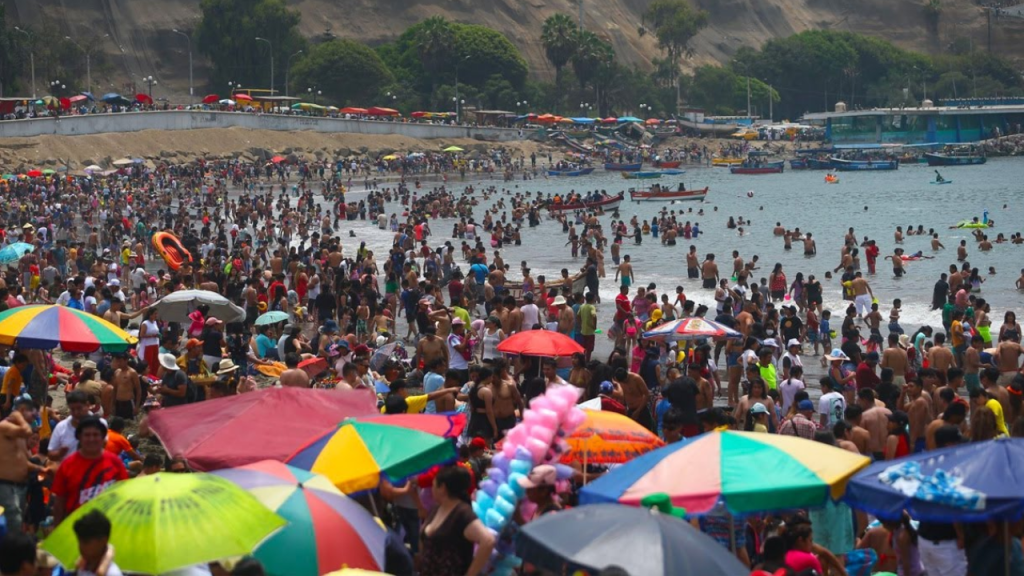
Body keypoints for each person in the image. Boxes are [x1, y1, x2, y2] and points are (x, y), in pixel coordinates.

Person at [418, 466, 495, 576]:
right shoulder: (438, 508)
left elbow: (488, 541)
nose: (432, 489)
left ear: (442, 488)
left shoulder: (462, 513)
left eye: (433, 485)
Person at [51, 416, 128, 524]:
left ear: (103, 438)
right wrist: (57, 527)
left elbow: (123, 494)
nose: (91, 439)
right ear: (79, 438)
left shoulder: (115, 462)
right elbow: (60, 501)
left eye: (96, 435)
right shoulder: (67, 465)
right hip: (76, 523)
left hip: (108, 522)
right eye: (87, 435)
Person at [72, 510, 124, 576]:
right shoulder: (82, 567)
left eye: (86, 542)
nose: (81, 546)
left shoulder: (112, 573)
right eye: (79, 541)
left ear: (103, 541)